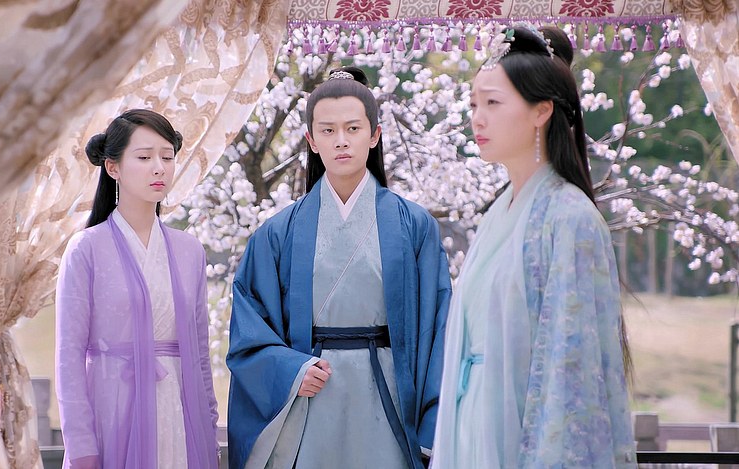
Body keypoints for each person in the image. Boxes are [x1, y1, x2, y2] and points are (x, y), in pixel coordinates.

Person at [430, 26, 636, 467]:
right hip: (474, 423)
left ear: (541, 111)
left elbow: (571, 372)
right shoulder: (499, 214)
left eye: (493, 103)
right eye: (473, 104)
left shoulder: (570, 218)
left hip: (524, 429)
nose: (477, 119)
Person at [226, 67, 451, 469]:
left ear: (374, 135)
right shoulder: (276, 234)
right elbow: (250, 329)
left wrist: (433, 424)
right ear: (311, 140)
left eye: (353, 128)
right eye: (327, 131)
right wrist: (291, 370)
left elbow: (439, 328)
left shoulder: (415, 226)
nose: (341, 141)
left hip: (389, 398)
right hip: (312, 393)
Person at [56, 109, 219, 469]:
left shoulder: (190, 250)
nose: (159, 168)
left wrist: (208, 427)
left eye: (167, 157)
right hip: (112, 411)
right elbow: (68, 357)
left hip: (178, 413)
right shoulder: (86, 249)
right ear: (113, 167)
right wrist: (81, 445)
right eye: (144, 158)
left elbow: (199, 354)